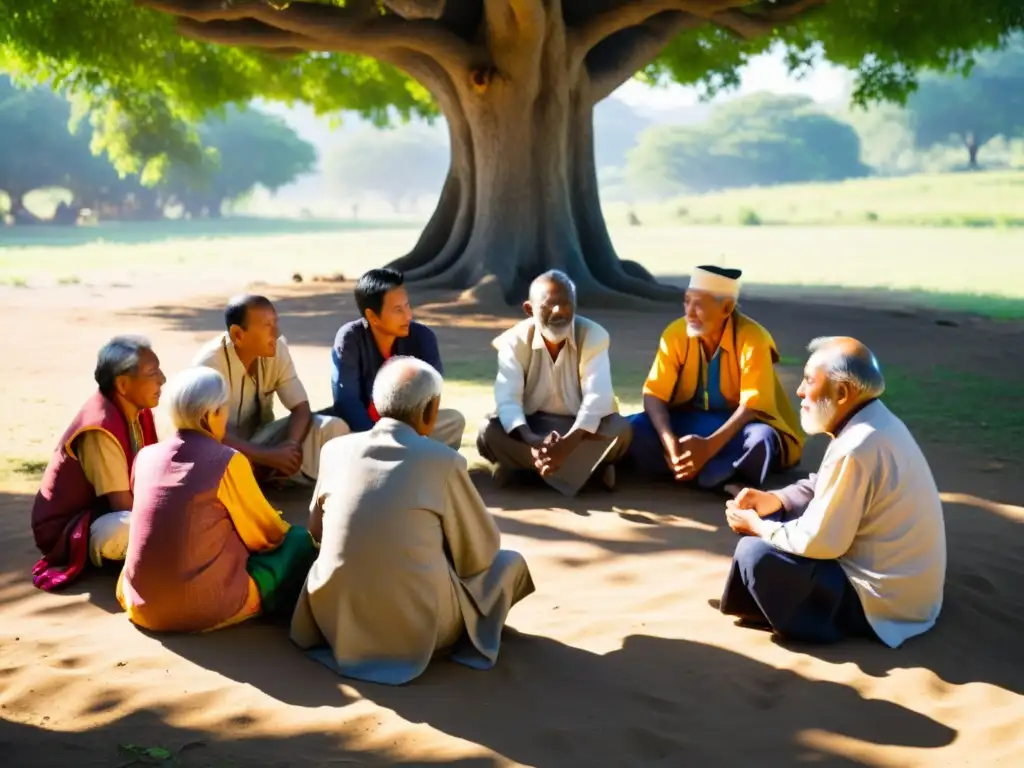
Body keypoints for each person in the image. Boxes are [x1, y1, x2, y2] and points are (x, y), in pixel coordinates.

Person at [291, 356, 535, 685]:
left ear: (376, 406)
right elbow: (481, 554)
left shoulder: (335, 450)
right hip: (419, 627)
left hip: (334, 620)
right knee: (510, 564)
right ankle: (464, 637)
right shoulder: (443, 461)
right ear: (430, 411)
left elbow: (316, 532)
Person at [719, 337, 947, 648]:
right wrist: (776, 499)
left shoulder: (857, 445)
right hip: (914, 594)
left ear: (842, 393)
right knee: (778, 513)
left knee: (755, 553)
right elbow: (823, 483)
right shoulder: (873, 423)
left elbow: (821, 542)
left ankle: (820, 621)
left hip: (883, 603)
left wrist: (757, 526)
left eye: (809, 381)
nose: (799, 391)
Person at [118, 367, 317, 633]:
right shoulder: (227, 460)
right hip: (201, 607)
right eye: (224, 410)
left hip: (140, 603)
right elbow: (267, 535)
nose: (226, 419)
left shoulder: (145, 456)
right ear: (210, 414)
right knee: (298, 542)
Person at [627, 265, 803, 491]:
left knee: (760, 439)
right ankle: (712, 473)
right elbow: (654, 394)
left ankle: (710, 473)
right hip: (688, 421)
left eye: (698, 304)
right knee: (636, 427)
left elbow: (752, 405)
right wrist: (670, 443)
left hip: (735, 426)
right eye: (687, 301)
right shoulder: (675, 333)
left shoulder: (753, 338)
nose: (689, 312)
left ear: (727, 307)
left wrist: (708, 447)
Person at [476, 270, 632, 495]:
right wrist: (532, 440)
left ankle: (525, 470)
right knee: (488, 431)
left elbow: (597, 399)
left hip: (582, 432)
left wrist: (567, 444)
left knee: (621, 429)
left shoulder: (593, 335)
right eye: (549, 305)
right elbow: (507, 400)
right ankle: (586, 470)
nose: (559, 311)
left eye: (566, 304)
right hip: (531, 430)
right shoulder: (514, 340)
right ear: (529, 309)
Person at [30, 336, 163, 591]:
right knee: (133, 525)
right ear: (123, 384)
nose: (162, 380)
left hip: (105, 513)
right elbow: (122, 505)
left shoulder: (137, 410)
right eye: (152, 373)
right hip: (70, 531)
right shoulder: (100, 429)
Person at [193, 294, 348, 484]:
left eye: (276, 323)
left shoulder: (277, 349)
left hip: (264, 441)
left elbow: (300, 407)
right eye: (267, 326)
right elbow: (205, 432)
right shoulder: (209, 365)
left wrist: (291, 448)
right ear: (238, 335)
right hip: (224, 450)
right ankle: (267, 475)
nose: (276, 333)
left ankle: (275, 472)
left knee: (333, 427)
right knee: (221, 464)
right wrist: (267, 455)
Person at [330, 267, 465, 450]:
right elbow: (346, 401)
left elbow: (433, 394)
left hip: (411, 431)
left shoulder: (422, 337)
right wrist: (379, 439)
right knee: (328, 428)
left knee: (453, 421)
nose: (408, 316)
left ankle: (421, 467)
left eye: (408, 306)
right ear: (372, 316)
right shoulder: (350, 338)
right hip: (363, 433)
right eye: (398, 310)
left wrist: (407, 437)